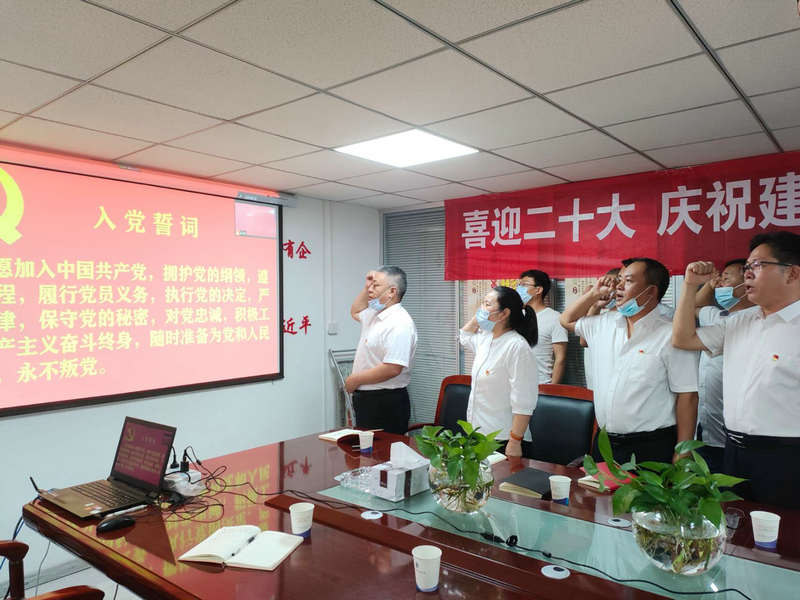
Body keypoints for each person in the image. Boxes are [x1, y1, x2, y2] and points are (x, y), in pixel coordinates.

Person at [672, 231, 800, 508]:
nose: (747, 273)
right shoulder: (739, 321)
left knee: (784, 532)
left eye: (758, 265)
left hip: (786, 458)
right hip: (733, 452)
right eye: (747, 267)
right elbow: (683, 339)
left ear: (792, 273)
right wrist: (690, 286)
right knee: (734, 524)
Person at [560, 258, 699, 464]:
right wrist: (593, 295)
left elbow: (687, 396)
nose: (619, 286)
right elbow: (566, 320)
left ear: (651, 291)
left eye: (629, 281)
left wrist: (683, 452)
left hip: (651, 445)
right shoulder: (604, 324)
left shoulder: (671, 334)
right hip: (605, 442)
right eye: (619, 280)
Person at [692, 258, 756, 473]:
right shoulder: (717, 315)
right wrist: (710, 285)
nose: (721, 283)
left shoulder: (757, 319)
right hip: (707, 427)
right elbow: (695, 306)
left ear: (748, 281)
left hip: (739, 435)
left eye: (726, 278)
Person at [459, 286, 538, 457]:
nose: (481, 308)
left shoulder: (517, 347)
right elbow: (464, 337)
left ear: (504, 314)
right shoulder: (486, 337)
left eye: (487, 304)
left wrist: (515, 441)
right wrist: (479, 316)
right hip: (478, 432)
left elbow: (524, 402)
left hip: (503, 439)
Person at [346, 266, 417, 435]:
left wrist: (355, 380)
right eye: (370, 285)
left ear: (392, 291)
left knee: (383, 450)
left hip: (386, 402)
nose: (370, 289)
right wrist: (367, 286)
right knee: (366, 449)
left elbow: (392, 368)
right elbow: (355, 311)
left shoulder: (400, 323)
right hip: (367, 400)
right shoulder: (375, 313)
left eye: (376, 285)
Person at [516, 270, 568, 384]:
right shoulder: (516, 316)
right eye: (519, 285)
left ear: (538, 290)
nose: (519, 289)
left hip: (541, 385)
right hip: (515, 385)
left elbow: (560, 359)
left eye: (524, 285)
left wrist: (552, 390)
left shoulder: (555, 318)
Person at [580, 267, 620, 390]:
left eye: (612, 285)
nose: (607, 290)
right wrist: (593, 304)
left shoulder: (626, 315)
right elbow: (584, 341)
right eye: (605, 284)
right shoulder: (596, 309)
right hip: (594, 380)